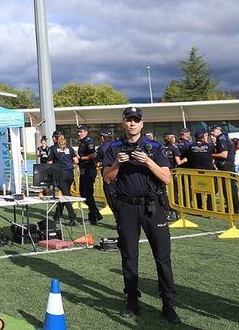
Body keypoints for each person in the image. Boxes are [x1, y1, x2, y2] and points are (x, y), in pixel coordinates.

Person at [102, 107, 180, 324]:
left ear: (142, 124)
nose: (133, 124)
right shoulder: (113, 147)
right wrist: (118, 163)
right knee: (129, 256)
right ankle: (131, 300)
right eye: (129, 120)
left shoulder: (154, 147)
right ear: (123, 123)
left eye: (136, 120)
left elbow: (167, 178)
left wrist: (147, 161)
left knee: (162, 257)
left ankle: (168, 303)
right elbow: (108, 179)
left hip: (152, 207)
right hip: (126, 207)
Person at [47, 133, 78, 226]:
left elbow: (49, 163)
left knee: (66, 195)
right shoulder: (69, 147)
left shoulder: (52, 148)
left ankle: (72, 217)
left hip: (61, 174)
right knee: (65, 194)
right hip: (70, 174)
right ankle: (57, 215)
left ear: (54, 138)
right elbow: (76, 160)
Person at [76, 124, 102, 225]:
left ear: (86, 132)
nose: (79, 134)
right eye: (78, 132)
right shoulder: (82, 142)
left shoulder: (89, 141)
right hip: (83, 169)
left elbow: (92, 155)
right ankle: (96, 214)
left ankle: (93, 218)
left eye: (80, 131)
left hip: (88, 170)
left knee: (88, 195)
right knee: (83, 194)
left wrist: (81, 158)